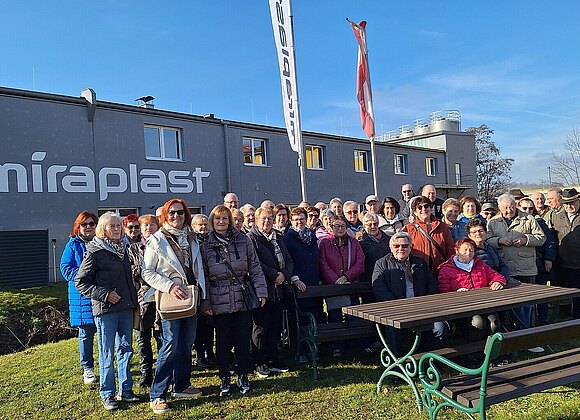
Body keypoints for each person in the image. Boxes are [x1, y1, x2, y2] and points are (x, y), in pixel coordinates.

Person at [141, 199, 206, 414]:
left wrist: (202, 293)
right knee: (170, 345)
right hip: (171, 298)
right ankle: (157, 394)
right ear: (165, 216)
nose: (176, 216)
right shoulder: (157, 240)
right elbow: (147, 271)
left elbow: (197, 268)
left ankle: (181, 385)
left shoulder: (192, 237)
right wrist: (169, 286)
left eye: (180, 212)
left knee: (186, 343)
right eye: (172, 213)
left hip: (191, 296)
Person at [200, 205, 267, 397]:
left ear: (229, 220)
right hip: (218, 297)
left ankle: (243, 375)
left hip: (241, 295)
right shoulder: (206, 246)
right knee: (222, 342)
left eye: (224, 218)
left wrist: (261, 291)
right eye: (217, 219)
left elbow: (255, 268)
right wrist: (206, 302)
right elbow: (203, 276)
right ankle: (224, 377)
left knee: (242, 340)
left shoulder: (244, 240)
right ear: (212, 221)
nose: (221, 222)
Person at [75, 212, 139, 411]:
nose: (117, 229)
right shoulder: (95, 252)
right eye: (112, 226)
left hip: (126, 307)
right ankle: (107, 393)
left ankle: (126, 389)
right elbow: (81, 282)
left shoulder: (125, 249)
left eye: (118, 225)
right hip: (106, 310)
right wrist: (105, 294)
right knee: (107, 352)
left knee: (126, 350)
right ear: (103, 229)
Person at [372, 232, 445, 356]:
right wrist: (398, 306)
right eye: (397, 246)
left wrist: (425, 303)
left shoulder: (420, 263)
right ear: (391, 247)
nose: (401, 249)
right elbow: (379, 289)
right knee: (393, 329)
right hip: (395, 310)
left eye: (405, 246)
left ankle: (423, 358)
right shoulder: (381, 264)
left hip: (421, 308)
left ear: (411, 247)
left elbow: (432, 285)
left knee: (439, 328)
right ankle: (398, 362)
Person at [247, 207, 293, 377]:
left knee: (274, 326)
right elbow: (254, 263)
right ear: (257, 220)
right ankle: (258, 361)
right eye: (263, 219)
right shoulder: (251, 238)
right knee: (260, 327)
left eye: (270, 218)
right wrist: (274, 275)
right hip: (262, 289)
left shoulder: (278, 237)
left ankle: (272, 358)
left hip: (278, 290)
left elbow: (288, 260)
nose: (267, 221)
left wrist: (284, 274)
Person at [487, 193, 546, 328]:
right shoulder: (493, 222)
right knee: (513, 303)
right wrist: (499, 240)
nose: (509, 210)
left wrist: (526, 240)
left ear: (516, 205)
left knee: (527, 302)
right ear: (499, 208)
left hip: (526, 268)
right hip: (506, 268)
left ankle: (528, 330)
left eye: (512, 207)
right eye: (505, 208)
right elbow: (487, 240)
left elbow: (541, 238)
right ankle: (518, 330)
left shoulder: (528, 218)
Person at [438, 237, 506, 343]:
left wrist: (497, 282)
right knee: (478, 323)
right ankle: (475, 351)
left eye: (471, 250)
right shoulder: (446, 269)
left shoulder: (480, 264)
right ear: (457, 251)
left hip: (483, 303)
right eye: (465, 250)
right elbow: (443, 292)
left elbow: (496, 276)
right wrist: (456, 294)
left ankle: (492, 350)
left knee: (495, 324)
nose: (468, 253)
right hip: (462, 308)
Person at [60, 211, 99, 385]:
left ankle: (105, 364)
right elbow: (66, 269)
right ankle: (87, 367)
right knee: (86, 334)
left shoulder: (101, 242)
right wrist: (86, 275)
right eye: (84, 224)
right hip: (82, 296)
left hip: (101, 295)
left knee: (105, 334)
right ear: (78, 226)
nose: (88, 227)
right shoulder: (73, 245)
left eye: (91, 223)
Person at [318, 215, 365, 357]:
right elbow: (323, 263)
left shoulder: (354, 243)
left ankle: (354, 345)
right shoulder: (325, 243)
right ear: (331, 227)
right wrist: (336, 280)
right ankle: (336, 346)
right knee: (335, 316)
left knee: (354, 317)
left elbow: (360, 262)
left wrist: (346, 277)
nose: (339, 229)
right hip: (333, 288)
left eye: (342, 226)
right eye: (336, 226)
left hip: (351, 285)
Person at [283, 207, 322, 363]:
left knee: (313, 316)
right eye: (296, 220)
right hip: (298, 283)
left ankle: (312, 348)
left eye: (302, 219)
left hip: (313, 281)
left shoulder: (311, 236)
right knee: (299, 319)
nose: (299, 222)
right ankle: (300, 351)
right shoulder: (288, 238)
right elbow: (288, 261)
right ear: (291, 221)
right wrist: (295, 279)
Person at [126, 214, 161, 388]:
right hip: (141, 299)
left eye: (152, 225)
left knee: (162, 336)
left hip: (161, 296)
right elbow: (130, 271)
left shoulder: (164, 245)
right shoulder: (132, 249)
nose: (148, 228)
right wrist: (144, 270)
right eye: (145, 225)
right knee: (142, 338)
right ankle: (146, 372)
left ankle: (163, 372)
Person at [518, 197, 557, 325]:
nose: (528, 211)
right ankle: (526, 324)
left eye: (530, 208)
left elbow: (549, 241)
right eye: (524, 208)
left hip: (539, 261)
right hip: (522, 263)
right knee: (525, 295)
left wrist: (549, 258)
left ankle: (543, 320)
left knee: (541, 292)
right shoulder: (515, 222)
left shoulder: (539, 221)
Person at [403, 196, 454, 276]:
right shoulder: (409, 229)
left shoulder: (442, 226)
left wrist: (451, 266)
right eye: (420, 207)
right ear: (415, 212)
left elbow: (450, 248)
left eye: (426, 206)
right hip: (418, 271)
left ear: (431, 208)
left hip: (440, 271)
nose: (423, 209)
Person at [190, 213, 215, 368]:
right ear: (194, 227)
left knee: (210, 324)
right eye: (200, 224)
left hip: (212, 286)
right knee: (200, 325)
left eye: (206, 224)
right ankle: (200, 354)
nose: (203, 227)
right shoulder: (192, 242)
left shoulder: (213, 240)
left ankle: (210, 352)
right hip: (198, 287)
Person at [552, 188, 580, 318]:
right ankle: (565, 317)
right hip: (563, 262)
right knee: (565, 292)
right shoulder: (558, 217)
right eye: (566, 204)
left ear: (578, 201)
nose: (569, 206)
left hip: (578, 262)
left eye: (572, 203)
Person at [358, 213, 389, 301]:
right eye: (369, 224)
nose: (373, 227)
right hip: (369, 279)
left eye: (375, 224)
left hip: (387, 278)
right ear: (364, 226)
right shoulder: (361, 242)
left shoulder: (388, 239)